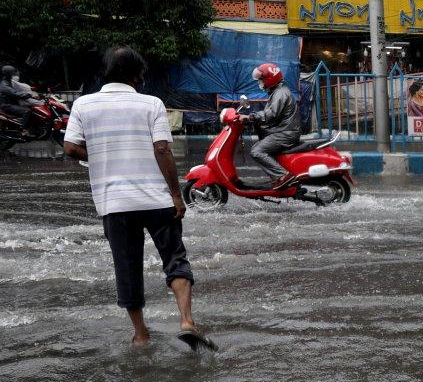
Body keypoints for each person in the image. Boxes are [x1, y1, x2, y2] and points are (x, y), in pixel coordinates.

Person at [62, 47, 215, 351]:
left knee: (127, 266)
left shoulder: (83, 105)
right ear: (137, 75)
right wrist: (176, 194)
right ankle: (186, 321)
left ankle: (141, 334)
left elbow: (70, 148)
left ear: (105, 72)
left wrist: (103, 156)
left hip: (114, 203)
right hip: (156, 200)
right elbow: (162, 150)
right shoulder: (151, 104)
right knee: (175, 258)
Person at [240, 62, 301, 185]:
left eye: (261, 79)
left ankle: (283, 176)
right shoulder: (278, 91)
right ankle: (278, 176)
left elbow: (271, 114)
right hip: (284, 130)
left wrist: (250, 117)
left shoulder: (280, 93)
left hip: (286, 133)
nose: (260, 82)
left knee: (257, 151)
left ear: (270, 79)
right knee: (259, 147)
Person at [0, 65, 36, 134]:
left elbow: (19, 89)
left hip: (11, 103)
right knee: (27, 111)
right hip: (7, 105)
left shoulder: (8, 82)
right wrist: (30, 95)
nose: (13, 75)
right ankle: (23, 129)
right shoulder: (4, 85)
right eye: (12, 74)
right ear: (8, 74)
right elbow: (15, 93)